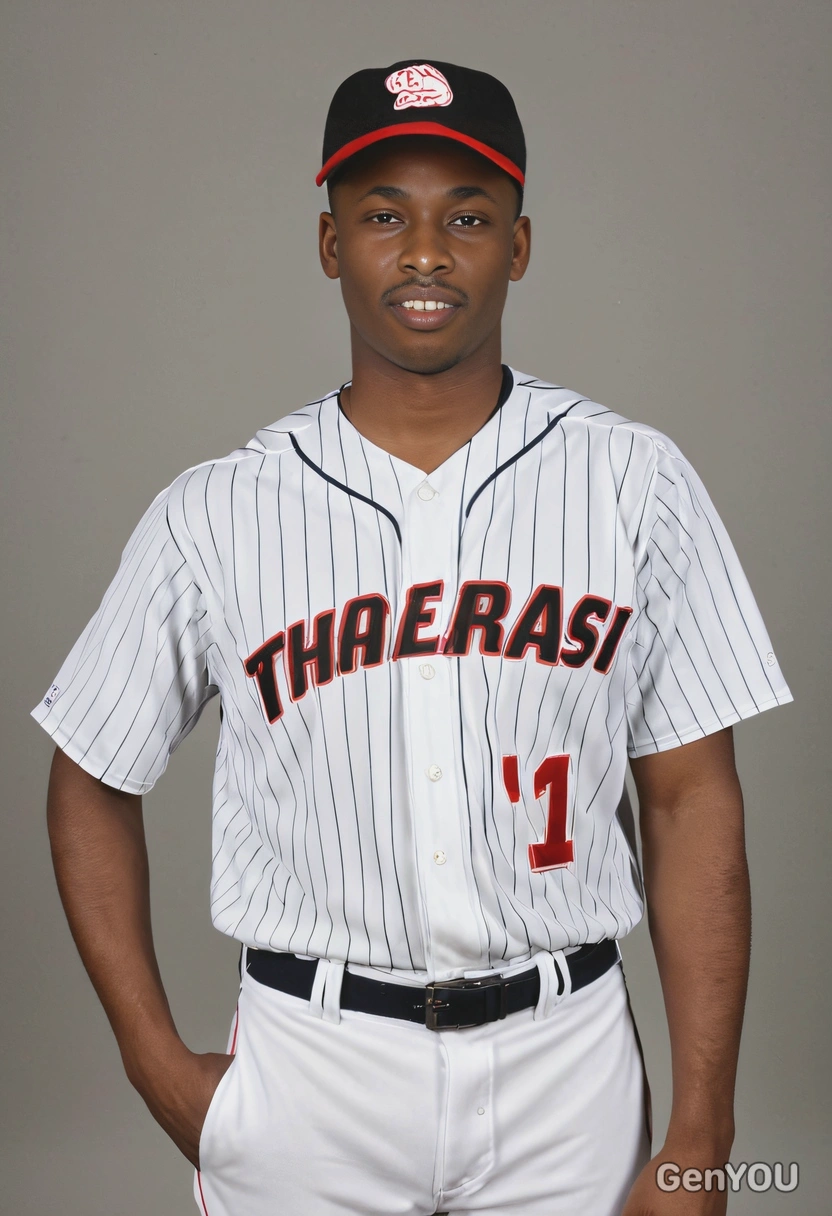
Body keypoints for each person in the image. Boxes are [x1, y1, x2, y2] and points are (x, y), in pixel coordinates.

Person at [33, 59, 793, 1216]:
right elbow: (88, 774)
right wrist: (155, 1062)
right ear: (331, 244)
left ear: (520, 245)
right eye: (384, 216)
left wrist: (700, 1132)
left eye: (467, 217)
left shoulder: (632, 482)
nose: (426, 254)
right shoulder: (217, 511)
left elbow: (692, 802)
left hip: (566, 1062)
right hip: (311, 1066)